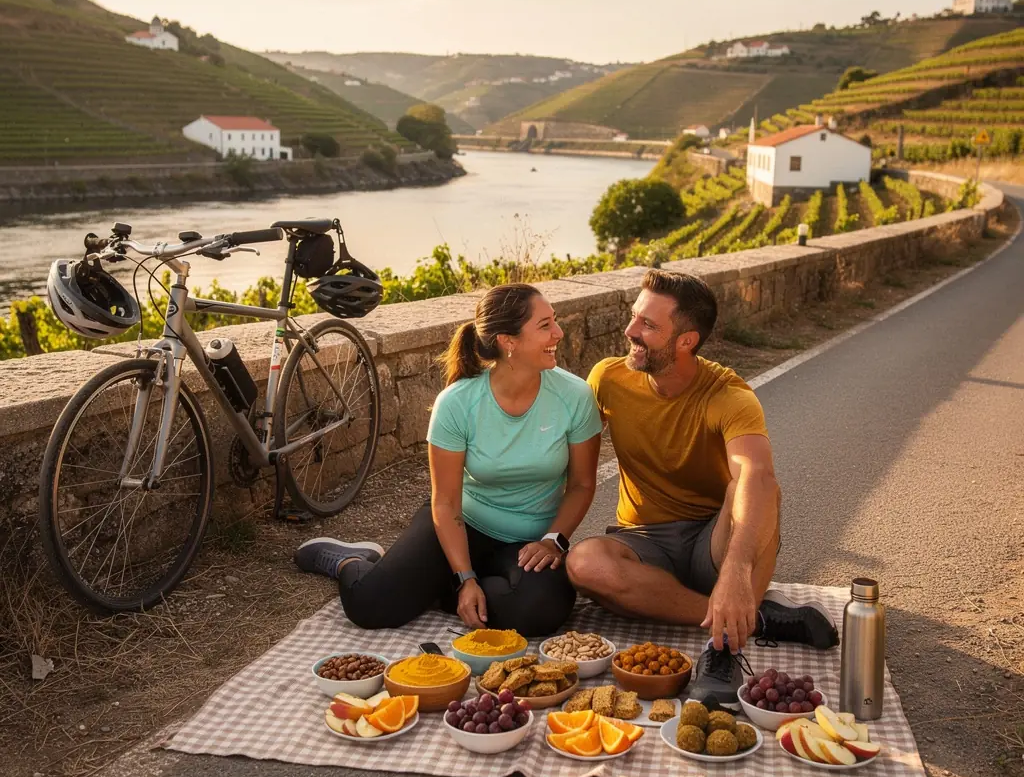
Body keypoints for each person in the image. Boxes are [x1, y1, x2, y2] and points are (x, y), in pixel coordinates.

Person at [565, 269, 838, 704]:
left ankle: (724, 647)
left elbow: (755, 475)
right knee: (583, 563)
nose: (629, 331)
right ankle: (753, 617)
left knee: (756, 488)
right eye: (634, 316)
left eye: (648, 325)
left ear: (686, 341)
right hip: (643, 540)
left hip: (714, 539)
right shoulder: (608, 379)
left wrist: (732, 573)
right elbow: (567, 460)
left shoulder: (728, 394)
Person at [294, 283, 603, 637]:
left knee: (542, 611)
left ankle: (443, 590)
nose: (559, 333)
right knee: (370, 604)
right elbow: (445, 500)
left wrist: (554, 540)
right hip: (462, 525)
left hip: (530, 544)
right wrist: (465, 576)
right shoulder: (457, 402)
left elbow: (581, 484)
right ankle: (350, 560)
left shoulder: (574, 396)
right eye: (545, 325)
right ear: (508, 341)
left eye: (555, 321)